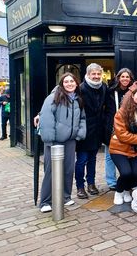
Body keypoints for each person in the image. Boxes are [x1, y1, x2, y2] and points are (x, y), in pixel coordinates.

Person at [38, 73, 86, 212]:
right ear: (62, 83)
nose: (69, 83)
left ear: (76, 83)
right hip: (54, 141)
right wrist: (49, 139)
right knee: (50, 171)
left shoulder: (77, 99)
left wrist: (79, 134)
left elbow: (82, 118)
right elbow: (46, 118)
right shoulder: (53, 98)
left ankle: (65, 197)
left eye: (72, 81)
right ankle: (45, 201)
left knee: (68, 170)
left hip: (70, 141)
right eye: (66, 81)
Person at [76, 63, 114, 199]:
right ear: (88, 74)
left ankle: (91, 184)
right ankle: (80, 186)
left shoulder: (104, 87)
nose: (97, 76)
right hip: (84, 129)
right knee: (81, 160)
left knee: (92, 159)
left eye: (99, 74)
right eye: (94, 74)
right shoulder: (80, 88)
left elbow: (109, 107)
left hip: (97, 129)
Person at [104, 68, 135, 190]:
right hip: (111, 126)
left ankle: (128, 180)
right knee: (109, 156)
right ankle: (111, 182)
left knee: (129, 154)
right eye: (123, 76)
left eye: (127, 77)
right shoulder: (110, 91)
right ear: (118, 78)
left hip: (128, 127)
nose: (125, 79)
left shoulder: (133, 92)